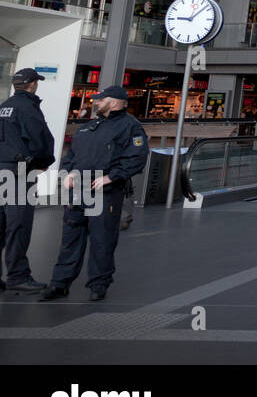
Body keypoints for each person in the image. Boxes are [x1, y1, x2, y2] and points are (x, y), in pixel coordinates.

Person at [40, 86, 148, 302]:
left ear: (115, 102)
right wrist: (65, 173)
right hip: (77, 191)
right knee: (70, 239)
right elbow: (72, 155)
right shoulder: (90, 126)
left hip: (105, 192)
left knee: (102, 239)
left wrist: (111, 177)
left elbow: (137, 157)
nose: (96, 102)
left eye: (100, 99)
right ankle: (59, 284)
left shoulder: (130, 127)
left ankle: (99, 284)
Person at [0, 69, 56, 294]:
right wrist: (43, 162)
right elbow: (39, 138)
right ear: (33, 85)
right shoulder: (27, 108)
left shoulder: (4, 105)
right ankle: (17, 276)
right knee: (18, 225)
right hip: (19, 174)